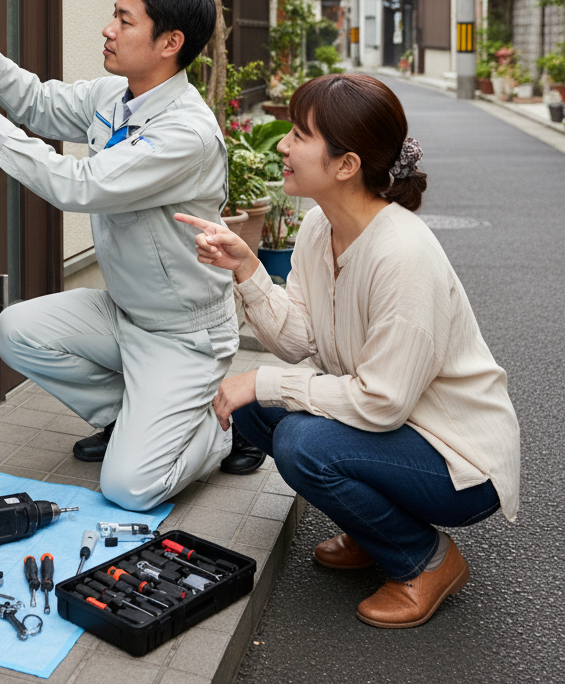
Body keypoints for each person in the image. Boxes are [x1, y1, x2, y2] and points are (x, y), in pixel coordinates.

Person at [176, 73, 520, 628]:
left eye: (299, 134)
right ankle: (374, 530)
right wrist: (246, 269)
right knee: (263, 414)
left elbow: (381, 402)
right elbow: (301, 342)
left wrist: (261, 382)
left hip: (459, 461)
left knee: (301, 440)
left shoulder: (402, 255)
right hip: (402, 429)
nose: (283, 145)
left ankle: (425, 560)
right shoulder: (320, 227)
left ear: (346, 164)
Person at [0, 0, 238, 511]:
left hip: (182, 335)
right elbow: (42, 103)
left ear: (170, 42)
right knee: (15, 330)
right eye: (113, 16)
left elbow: (81, 185)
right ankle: (133, 420)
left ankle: (218, 430)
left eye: (124, 20)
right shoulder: (117, 95)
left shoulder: (186, 134)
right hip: (125, 314)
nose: (108, 29)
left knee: (131, 490)